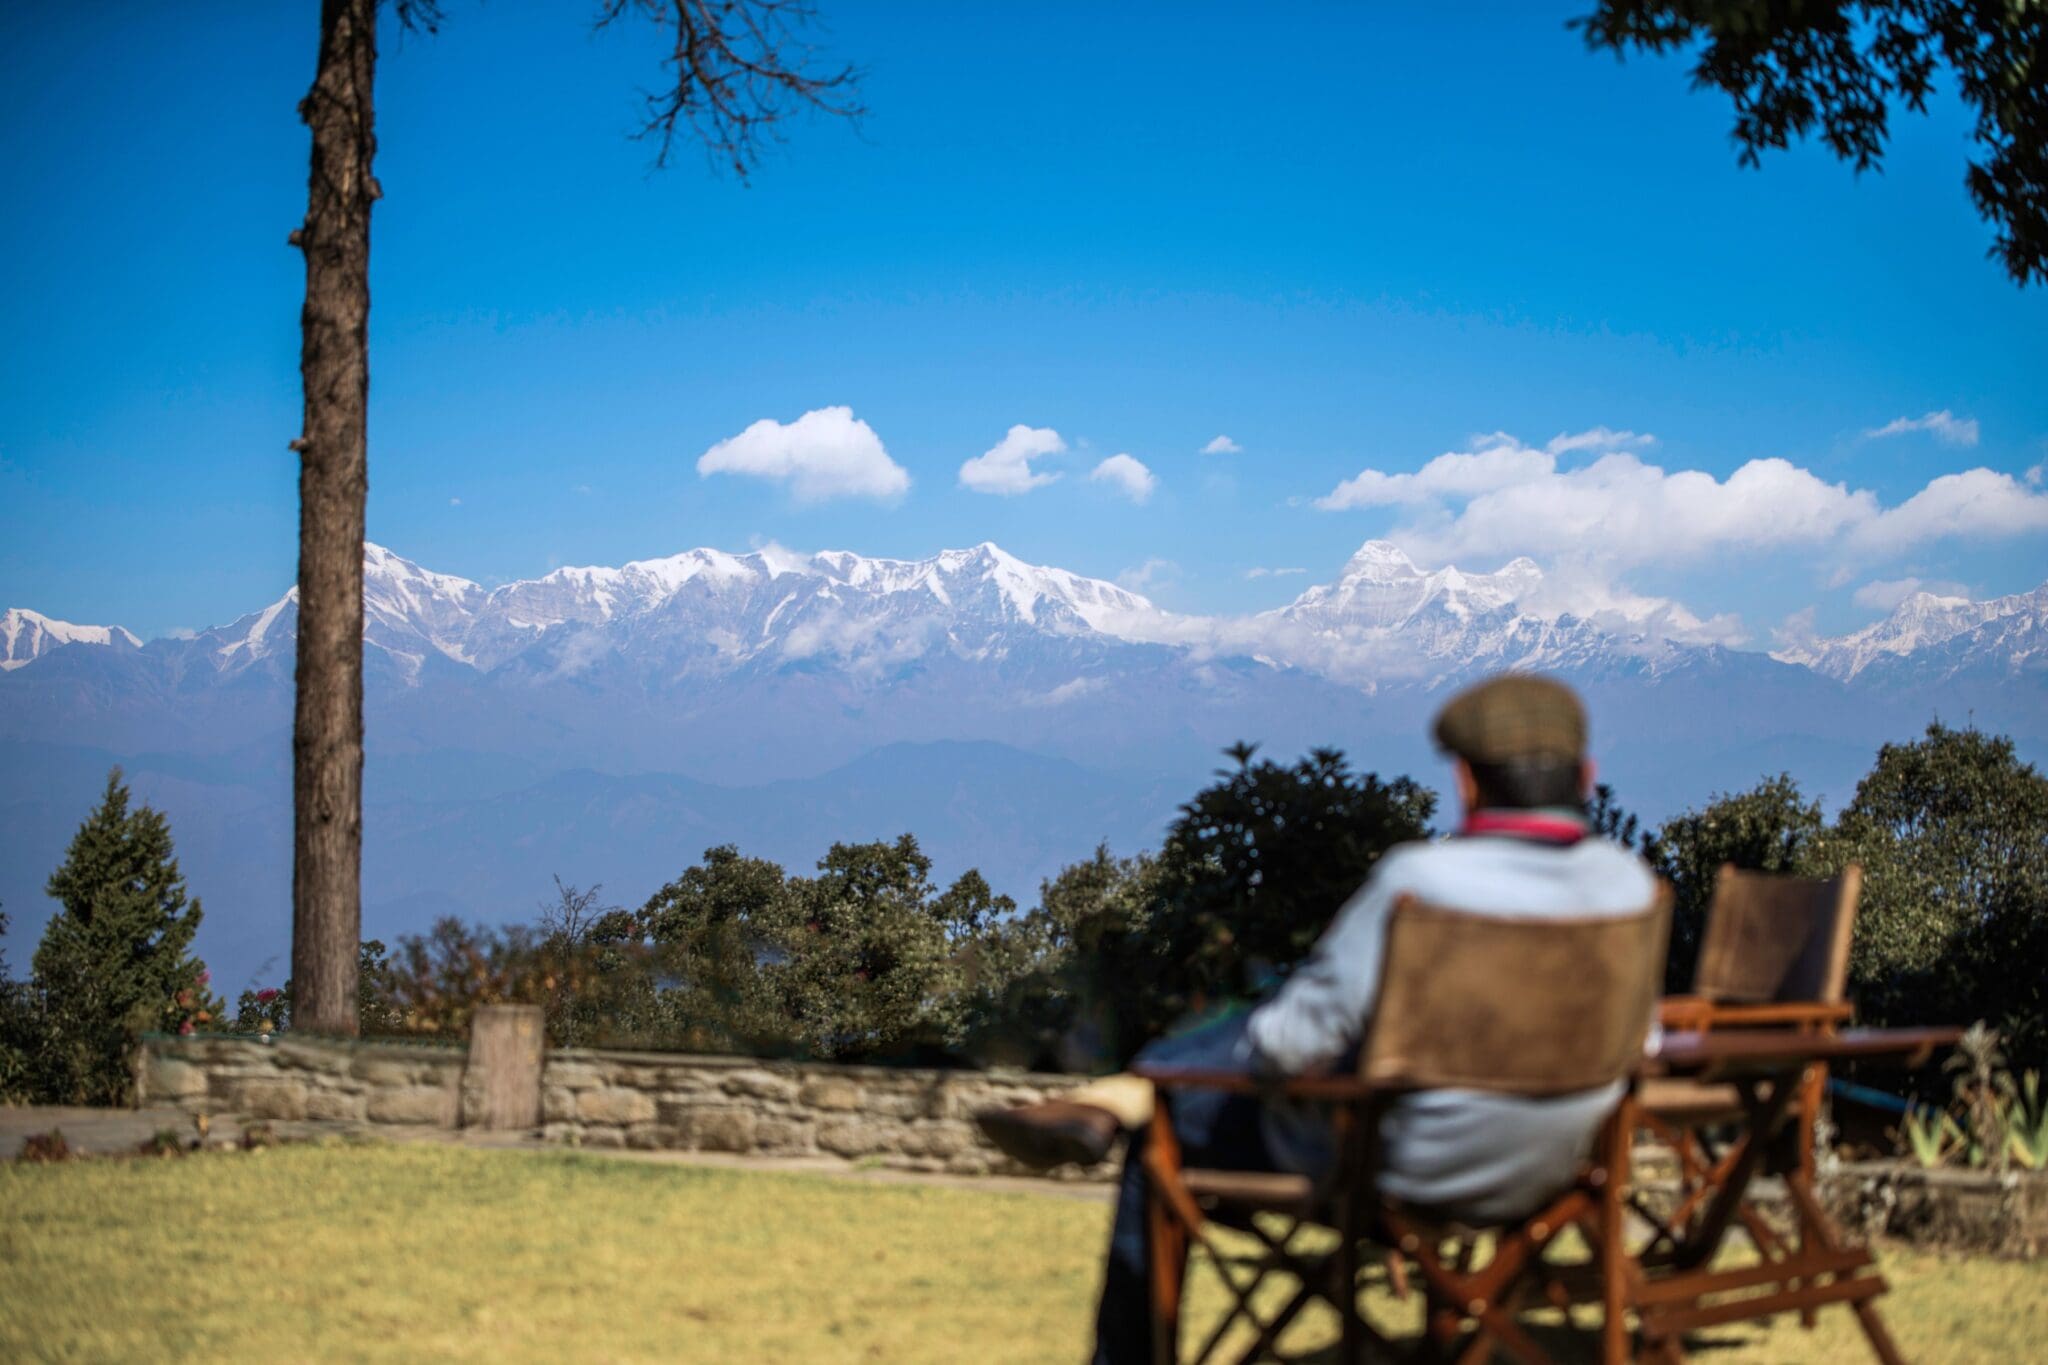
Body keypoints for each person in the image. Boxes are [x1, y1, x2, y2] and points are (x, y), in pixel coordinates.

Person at [973, 673, 1659, 1364]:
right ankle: (1125, 1091)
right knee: (1256, 1032)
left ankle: (1126, 1098)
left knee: (1175, 1119)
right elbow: (1644, 1041)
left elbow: (1286, 1047)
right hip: (1552, 1163)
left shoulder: (1421, 883)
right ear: (1587, 776)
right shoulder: (1630, 889)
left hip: (1395, 1168)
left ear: (1467, 782)